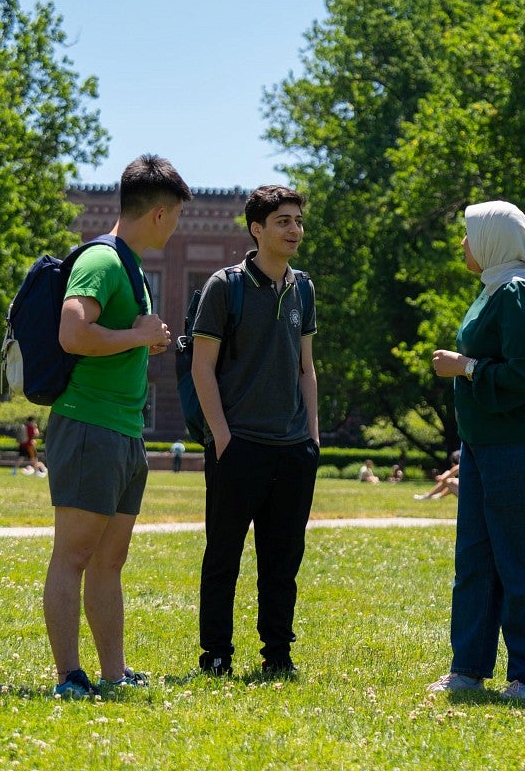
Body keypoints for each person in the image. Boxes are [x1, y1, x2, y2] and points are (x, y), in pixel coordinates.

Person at [43, 155, 191, 700]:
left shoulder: (129, 267)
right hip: (89, 425)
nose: (174, 227)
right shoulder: (104, 261)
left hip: (125, 431)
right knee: (74, 555)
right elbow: (72, 334)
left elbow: (118, 332)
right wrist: (137, 336)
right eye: (174, 216)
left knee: (110, 560)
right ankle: (68, 676)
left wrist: (143, 335)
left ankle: (112, 672)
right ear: (158, 213)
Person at [427, 200, 525, 701]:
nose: (464, 245)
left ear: (495, 240)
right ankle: (468, 668)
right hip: (487, 447)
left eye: (471, 235)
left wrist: (465, 367)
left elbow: (524, 378)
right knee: (476, 560)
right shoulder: (498, 287)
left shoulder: (522, 294)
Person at [192, 185, 319, 679]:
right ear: (257, 230)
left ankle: (278, 653)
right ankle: (216, 654)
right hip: (238, 445)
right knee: (223, 556)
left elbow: (307, 369)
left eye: (297, 221)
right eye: (283, 221)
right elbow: (203, 367)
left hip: (292, 449)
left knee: (282, 562)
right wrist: (222, 437)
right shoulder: (225, 287)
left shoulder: (303, 288)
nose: (294, 230)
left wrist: (310, 435)